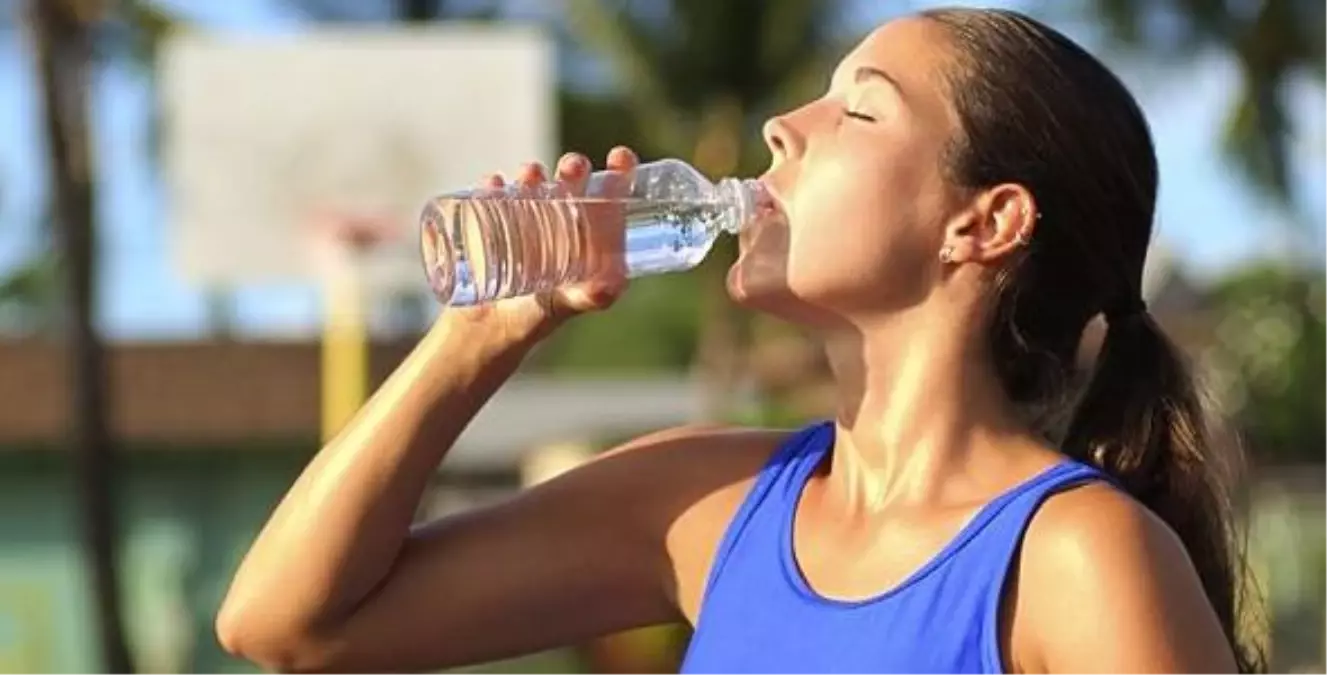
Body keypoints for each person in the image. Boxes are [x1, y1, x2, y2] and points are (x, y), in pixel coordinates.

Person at [216, 7, 1264, 674]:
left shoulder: (1074, 557)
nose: (780, 129)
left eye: (859, 111)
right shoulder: (707, 509)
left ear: (983, 223)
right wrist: (477, 338)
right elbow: (285, 627)